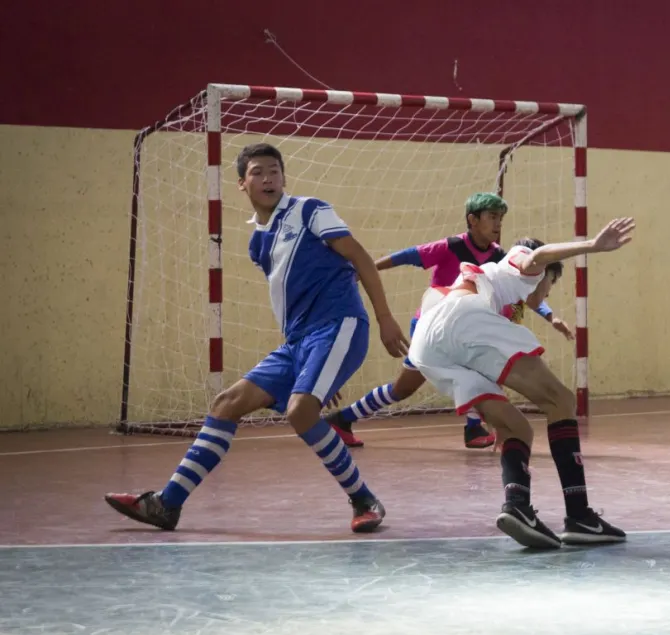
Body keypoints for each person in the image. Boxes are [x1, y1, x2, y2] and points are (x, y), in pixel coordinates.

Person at [104, 143, 409, 533]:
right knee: (226, 403)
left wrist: (384, 317)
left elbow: (360, 257)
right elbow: (288, 296)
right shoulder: (257, 243)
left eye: (275, 171)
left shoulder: (310, 211)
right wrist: (310, 371)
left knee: (301, 412)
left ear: (284, 178)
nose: (268, 178)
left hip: (339, 325)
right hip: (299, 341)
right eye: (258, 172)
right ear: (241, 184)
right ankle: (167, 504)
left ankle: (364, 499)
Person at [407, 219, 635, 549]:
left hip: (429, 347)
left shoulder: (504, 296)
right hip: (461, 322)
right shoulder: (519, 263)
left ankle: (517, 507)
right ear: (546, 275)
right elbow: (537, 255)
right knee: (561, 401)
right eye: (550, 284)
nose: (546, 292)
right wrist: (592, 246)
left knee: (516, 428)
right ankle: (580, 516)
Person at [324, 192, 573, 449]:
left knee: (482, 370)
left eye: (501, 218)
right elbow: (406, 256)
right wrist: (367, 270)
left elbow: (527, 291)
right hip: (433, 327)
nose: (498, 224)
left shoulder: (501, 256)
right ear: (472, 220)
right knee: (403, 388)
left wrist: (550, 316)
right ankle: (342, 418)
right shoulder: (450, 246)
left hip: (467, 333)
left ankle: (475, 428)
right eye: (492, 217)